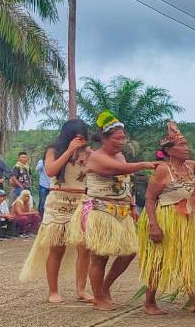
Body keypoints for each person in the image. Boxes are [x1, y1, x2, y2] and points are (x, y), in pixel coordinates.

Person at [67, 111, 158, 311]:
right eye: (117, 138)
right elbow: (118, 170)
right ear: (104, 138)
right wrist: (143, 164)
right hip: (100, 211)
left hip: (121, 209)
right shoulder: (97, 157)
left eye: (123, 138)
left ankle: (105, 286)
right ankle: (99, 298)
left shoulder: (120, 156)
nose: (121, 142)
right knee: (100, 256)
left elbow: (125, 182)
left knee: (129, 252)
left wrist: (132, 204)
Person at [138, 122, 195, 315]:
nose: (186, 149)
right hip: (164, 218)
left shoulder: (190, 167)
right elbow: (150, 199)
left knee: (188, 257)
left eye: (187, 145)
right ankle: (149, 302)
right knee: (158, 260)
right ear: (169, 150)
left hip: (185, 221)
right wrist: (154, 225)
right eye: (182, 146)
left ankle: (194, 300)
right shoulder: (163, 170)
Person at [19, 119, 93, 304]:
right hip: (58, 202)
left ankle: (81, 289)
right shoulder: (53, 150)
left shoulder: (89, 152)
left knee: (85, 247)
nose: (80, 141)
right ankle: (53, 290)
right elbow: (51, 171)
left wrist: (89, 155)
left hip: (81, 200)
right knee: (57, 247)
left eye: (82, 138)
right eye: (76, 137)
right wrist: (69, 151)